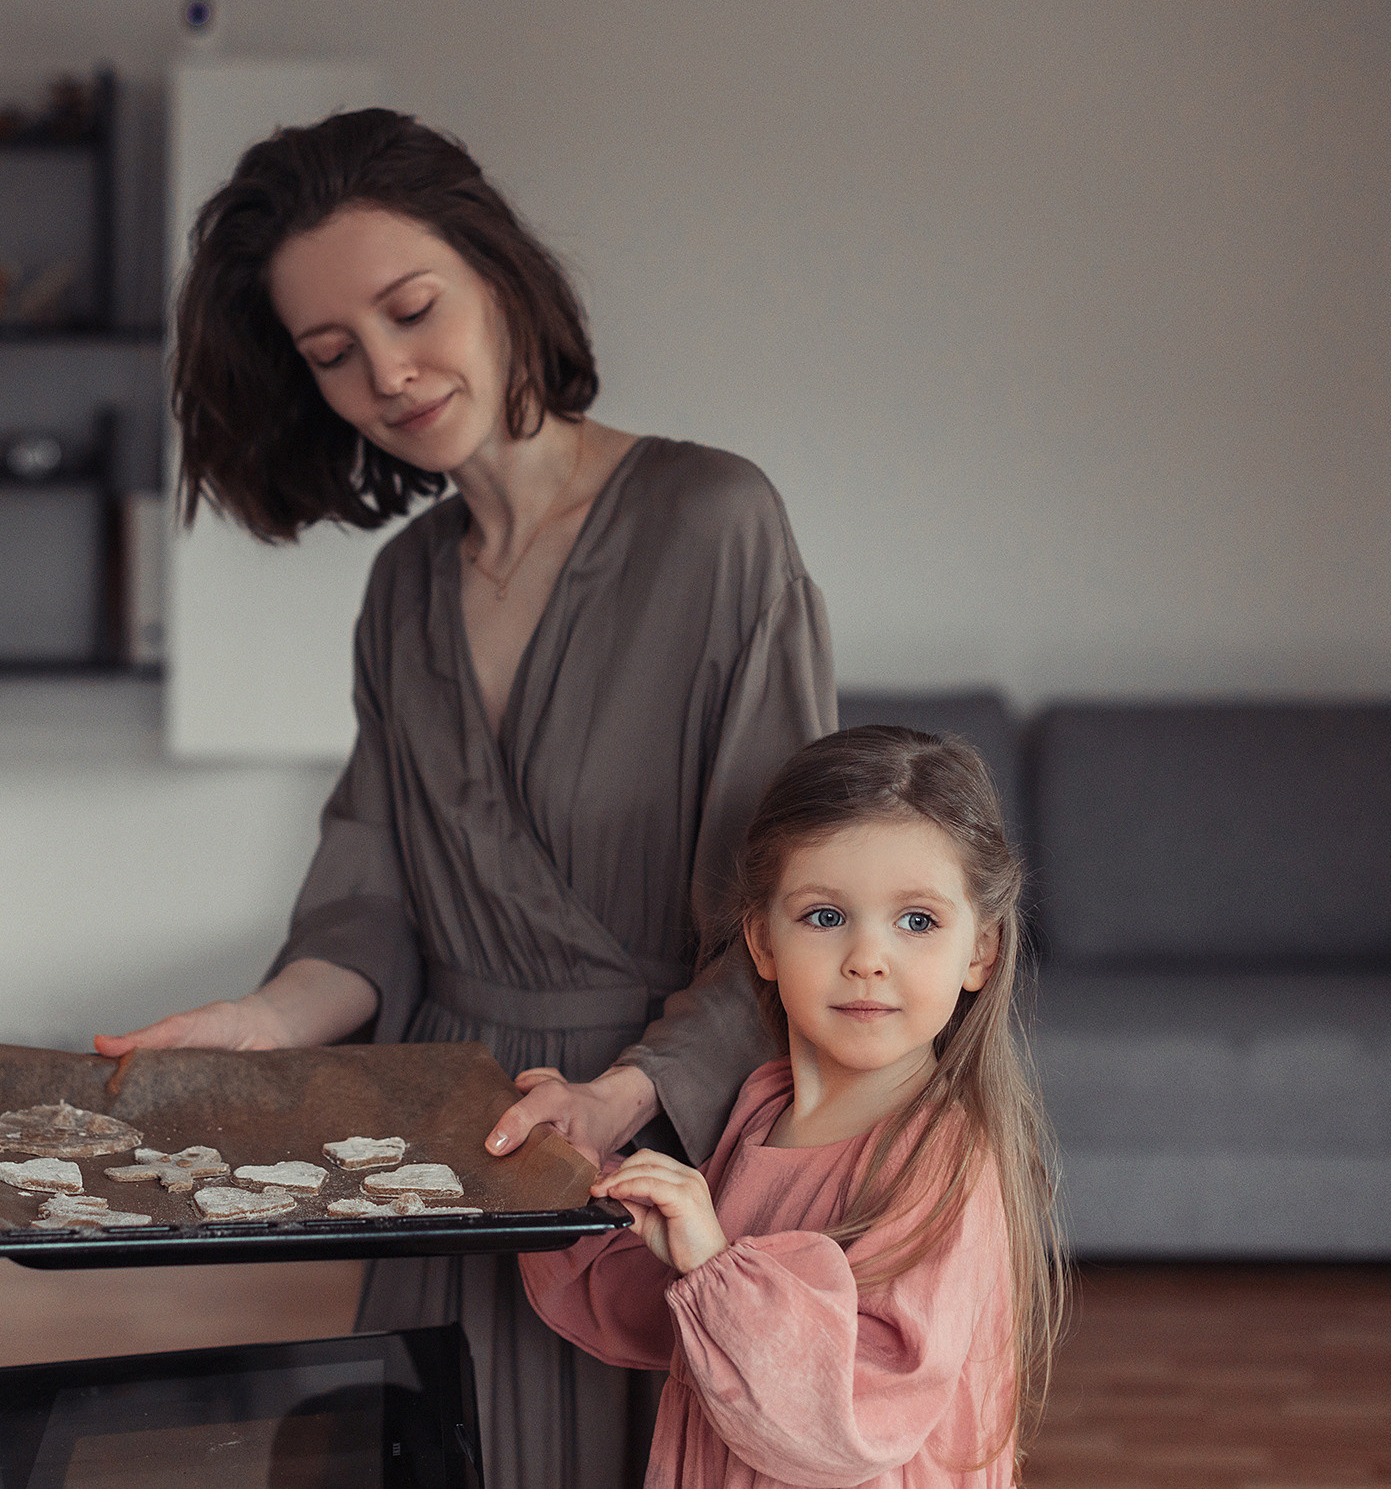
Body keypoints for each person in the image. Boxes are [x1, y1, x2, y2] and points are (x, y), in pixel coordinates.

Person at [97, 108, 836, 1489]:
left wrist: (622, 1098)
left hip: (644, 1157)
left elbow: (785, 913)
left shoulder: (715, 524)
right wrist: (256, 1026)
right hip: (438, 1145)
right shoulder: (401, 589)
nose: (385, 370)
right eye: (331, 353)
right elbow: (367, 894)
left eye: (409, 307)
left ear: (494, 272)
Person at [519, 725, 1067, 1487]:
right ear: (764, 944)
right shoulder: (760, 1105)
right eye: (825, 916)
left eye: (917, 921)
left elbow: (852, 1421)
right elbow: (679, 1317)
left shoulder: (942, 1159)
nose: (867, 959)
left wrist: (712, 1263)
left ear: (980, 951)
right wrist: (557, 1179)